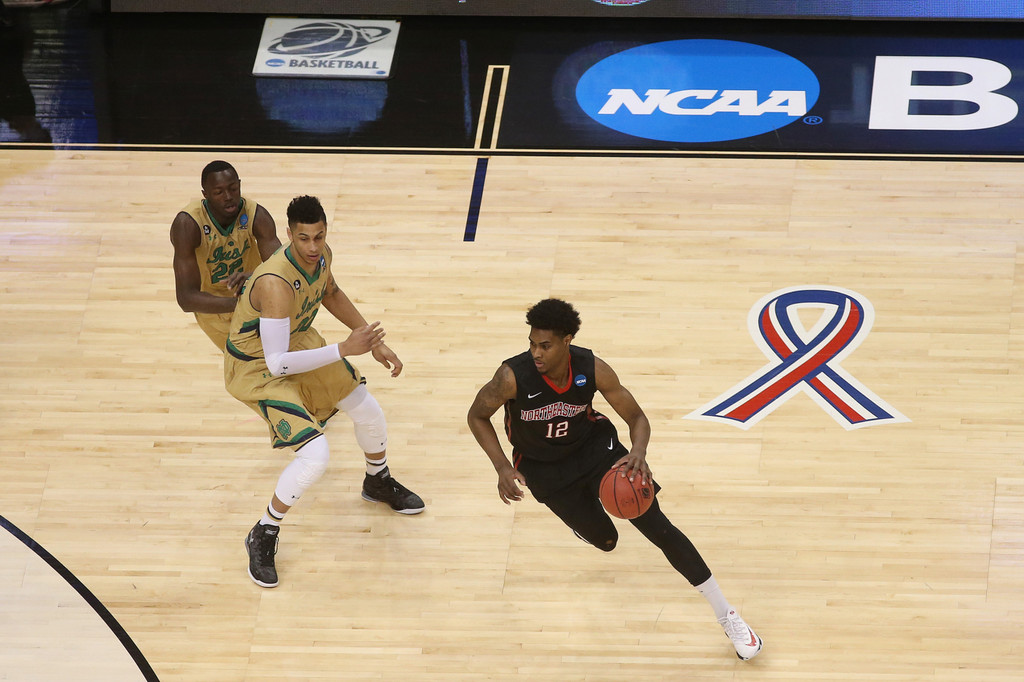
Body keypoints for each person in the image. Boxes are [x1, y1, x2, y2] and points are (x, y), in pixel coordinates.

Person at [467, 298, 762, 661]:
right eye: (531, 344)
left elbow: (637, 417)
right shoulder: (512, 376)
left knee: (658, 526)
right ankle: (586, 517)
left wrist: (638, 452)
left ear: (567, 341)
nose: (536, 353)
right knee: (606, 541)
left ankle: (727, 615)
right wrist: (500, 466)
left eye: (544, 345)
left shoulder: (592, 368)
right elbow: (477, 416)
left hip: (596, 451)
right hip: (543, 469)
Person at [225, 194, 424, 588]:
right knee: (316, 455)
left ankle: (376, 480)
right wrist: (345, 349)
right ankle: (263, 531)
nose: (314, 247)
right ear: (288, 235)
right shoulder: (275, 284)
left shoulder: (322, 256)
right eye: (304, 239)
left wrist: (372, 340)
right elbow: (276, 364)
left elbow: (331, 293)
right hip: (257, 368)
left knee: (368, 410)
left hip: (297, 344)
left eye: (319, 236)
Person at [170, 160, 281, 350]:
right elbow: (186, 299)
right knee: (249, 365)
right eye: (219, 192)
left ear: (239, 185)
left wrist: (253, 278)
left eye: (233, 188)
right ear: (205, 195)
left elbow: (282, 270)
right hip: (213, 308)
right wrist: (239, 304)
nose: (228, 196)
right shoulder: (188, 225)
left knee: (273, 361)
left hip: (255, 298)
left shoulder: (256, 215)